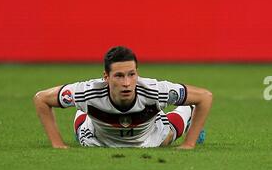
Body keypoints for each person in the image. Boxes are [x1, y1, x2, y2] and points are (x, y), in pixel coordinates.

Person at [34, 46, 212, 150]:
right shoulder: (86, 91)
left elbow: (204, 97)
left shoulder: (155, 90)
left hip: (149, 137)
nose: (127, 83)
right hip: (97, 140)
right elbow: (41, 98)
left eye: (131, 74)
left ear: (137, 73)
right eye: (119, 76)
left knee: (169, 134)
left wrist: (189, 144)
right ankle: (85, 113)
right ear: (106, 77)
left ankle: (188, 111)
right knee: (84, 111)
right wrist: (58, 144)